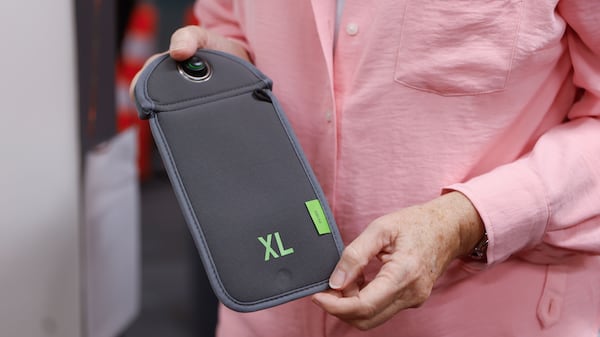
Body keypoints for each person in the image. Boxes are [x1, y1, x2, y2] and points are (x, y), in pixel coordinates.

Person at [135, 1, 600, 336]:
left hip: (483, 315)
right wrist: (227, 67)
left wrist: (464, 221)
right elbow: (228, 20)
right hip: (263, 310)